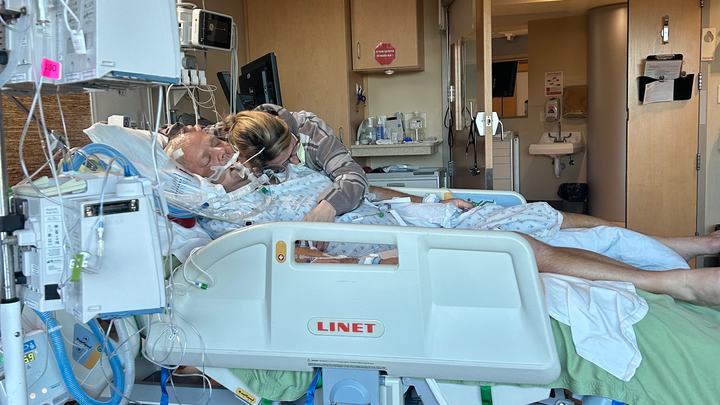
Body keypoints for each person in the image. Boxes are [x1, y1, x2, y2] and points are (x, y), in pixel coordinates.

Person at [165, 129, 720, 307]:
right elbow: (297, 256)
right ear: (198, 178)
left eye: (217, 141)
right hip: (387, 251)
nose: (222, 151)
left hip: (403, 219)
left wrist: (427, 198)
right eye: (208, 157)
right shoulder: (233, 219)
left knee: (533, 213)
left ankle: (689, 244)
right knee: (517, 244)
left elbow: (355, 187)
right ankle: (672, 281)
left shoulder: (277, 173)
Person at [164, 104, 370, 224]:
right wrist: (179, 136)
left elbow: (353, 175)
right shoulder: (229, 137)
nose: (295, 163)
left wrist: (329, 207)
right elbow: (181, 142)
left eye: (294, 150)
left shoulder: (313, 132)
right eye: (286, 162)